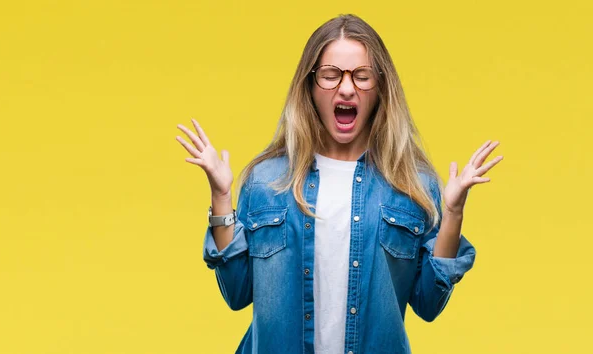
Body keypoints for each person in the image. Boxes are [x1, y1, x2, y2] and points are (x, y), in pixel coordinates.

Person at [176, 13, 502, 354]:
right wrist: (221, 196)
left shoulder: (411, 185)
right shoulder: (266, 181)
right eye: (331, 75)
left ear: (380, 88)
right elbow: (237, 293)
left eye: (362, 76)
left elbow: (428, 304)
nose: (346, 87)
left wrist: (452, 213)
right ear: (310, 85)